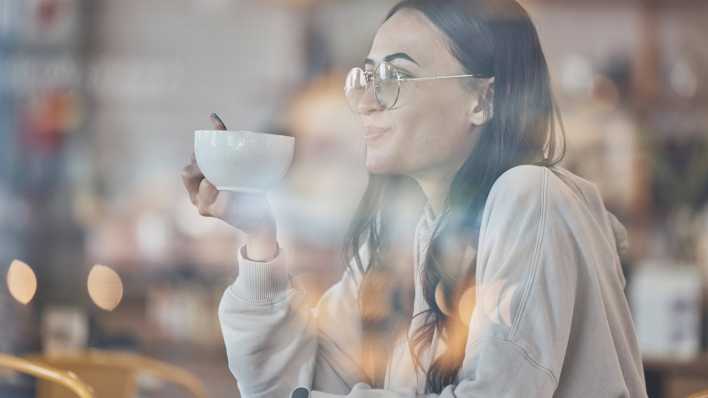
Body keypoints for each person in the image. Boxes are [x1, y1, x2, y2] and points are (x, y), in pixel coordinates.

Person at [181, 0, 648, 396]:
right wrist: (259, 235)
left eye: (394, 78)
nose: (365, 101)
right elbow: (288, 384)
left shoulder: (531, 195)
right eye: (365, 78)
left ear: (482, 100)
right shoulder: (412, 233)